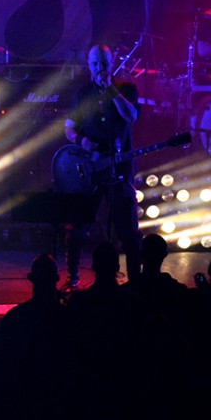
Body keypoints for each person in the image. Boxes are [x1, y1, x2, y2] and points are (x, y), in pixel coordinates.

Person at [59, 43, 142, 288]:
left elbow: (131, 116)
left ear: (111, 63)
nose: (99, 68)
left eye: (104, 63)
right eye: (95, 64)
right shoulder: (83, 94)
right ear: (89, 65)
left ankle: (136, 282)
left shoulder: (127, 89)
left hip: (120, 169)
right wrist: (81, 140)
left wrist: (111, 91)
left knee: (128, 230)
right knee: (77, 226)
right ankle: (73, 278)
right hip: (91, 170)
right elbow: (69, 128)